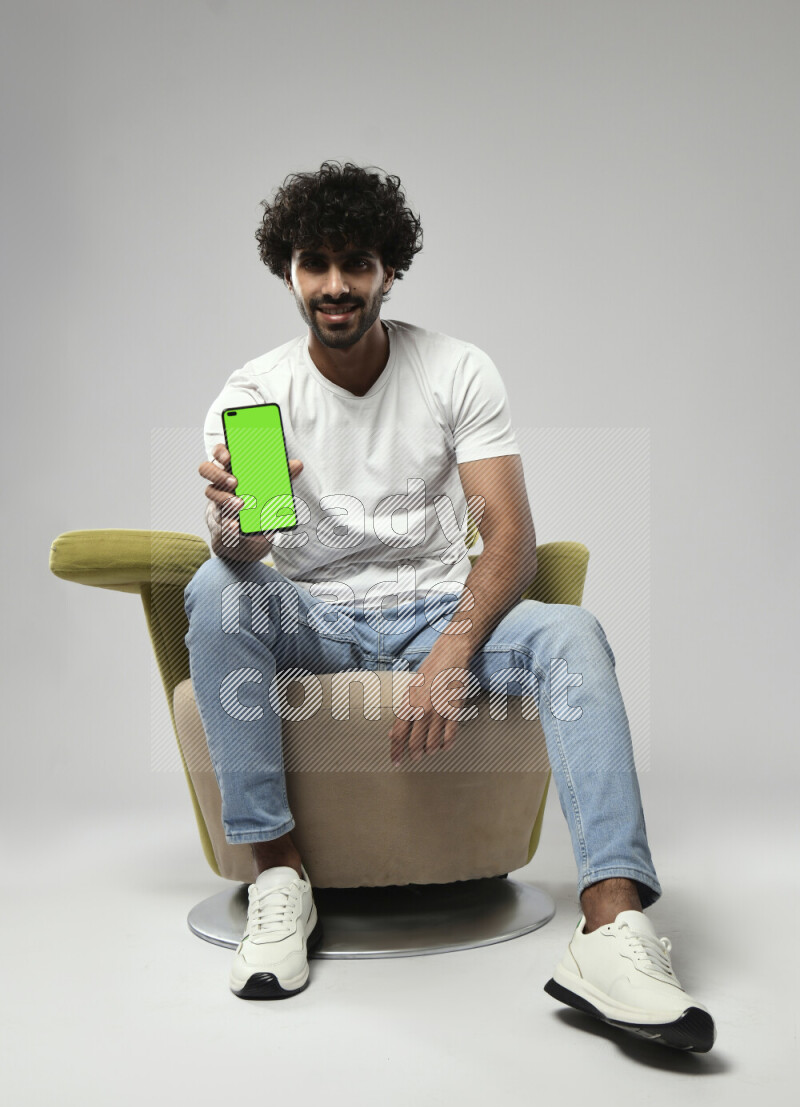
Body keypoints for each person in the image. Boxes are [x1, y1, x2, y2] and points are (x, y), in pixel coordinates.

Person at [184, 160, 715, 1052]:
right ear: (290, 272)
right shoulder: (255, 394)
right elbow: (251, 554)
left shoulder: (455, 369)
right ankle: (277, 875)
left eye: (357, 262)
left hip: (435, 610)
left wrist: (454, 647)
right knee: (214, 586)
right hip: (315, 620)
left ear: (389, 270)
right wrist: (234, 531)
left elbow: (511, 540)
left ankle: (611, 924)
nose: (336, 284)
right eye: (316, 263)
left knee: (573, 632)